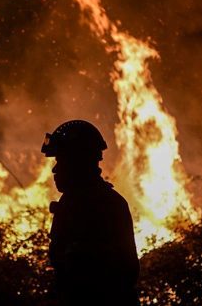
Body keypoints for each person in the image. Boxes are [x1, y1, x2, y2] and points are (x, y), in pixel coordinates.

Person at [42, 120, 140, 305]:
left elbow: (124, 273)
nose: (55, 169)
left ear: (79, 161)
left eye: (61, 160)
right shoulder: (72, 202)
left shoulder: (106, 205)